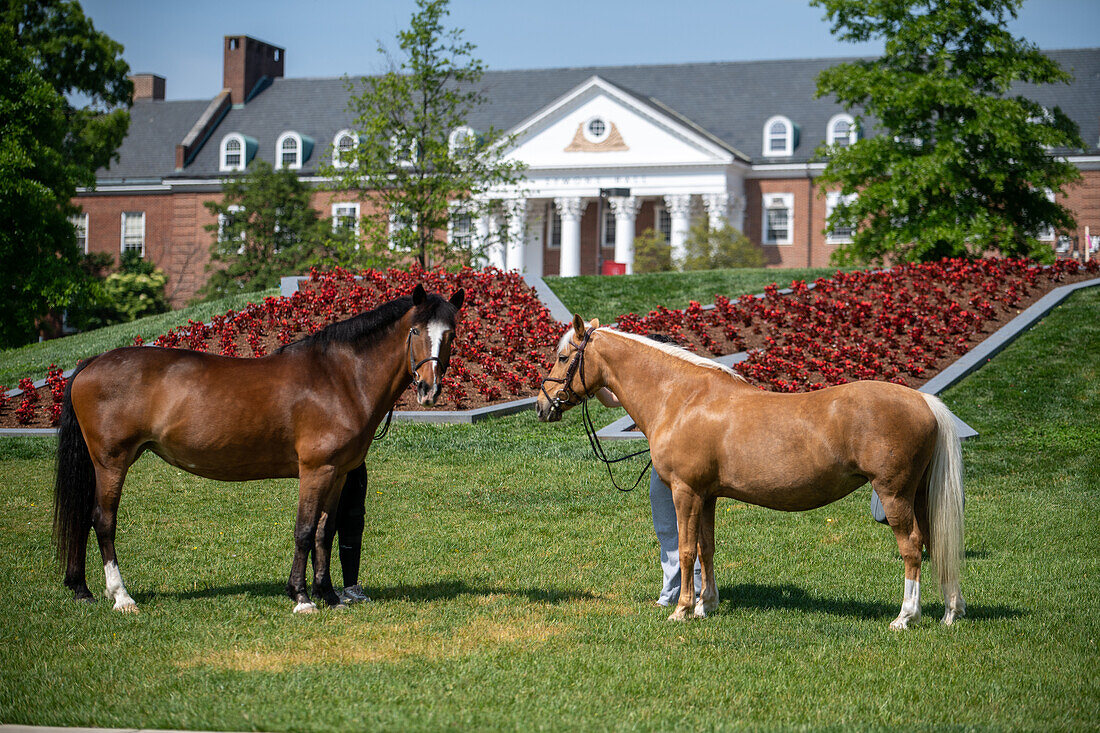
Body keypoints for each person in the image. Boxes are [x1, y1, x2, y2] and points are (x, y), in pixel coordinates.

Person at [595, 387, 702, 607]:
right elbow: (611, 400)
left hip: (687, 457)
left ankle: (697, 589)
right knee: (666, 523)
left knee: (689, 525)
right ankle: (673, 591)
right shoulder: (642, 379)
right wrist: (593, 383)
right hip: (663, 459)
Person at [334, 463, 371, 604]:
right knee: (326, 524)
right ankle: (322, 585)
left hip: (354, 461)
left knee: (354, 520)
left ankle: (351, 585)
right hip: (329, 462)